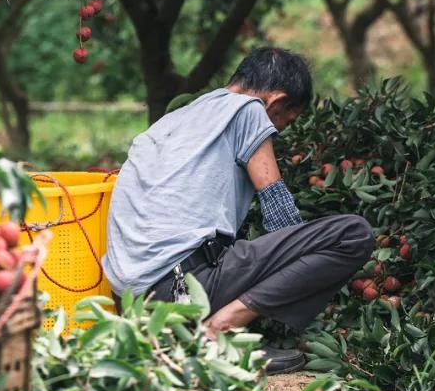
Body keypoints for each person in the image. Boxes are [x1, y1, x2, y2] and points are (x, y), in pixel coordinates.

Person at [102, 47, 374, 372]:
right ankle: (218, 330)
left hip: (133, 301)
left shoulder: (174, 120)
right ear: (275, 101)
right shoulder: (248, 110)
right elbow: (277, 208)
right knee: (352, 235)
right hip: (180, 289)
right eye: (286, 123)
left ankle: (185, 336)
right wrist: (307, 269)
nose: (280, 132)